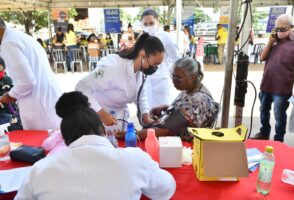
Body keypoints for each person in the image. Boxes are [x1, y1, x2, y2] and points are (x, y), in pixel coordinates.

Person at [15, 91, 176, 200]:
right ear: (103, 130)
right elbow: (166, 189)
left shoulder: (40, 169)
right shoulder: (134, 160)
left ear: (64, 139)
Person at [76, 33, 164, 132]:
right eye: (155, 64)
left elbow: (140, 94)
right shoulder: (113, 67)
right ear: (143, 55)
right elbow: (81, 87)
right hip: (98, 117)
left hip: (118, 118)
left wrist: (145, 115)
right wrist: (101, 113)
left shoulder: (140, 71)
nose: (155, 68)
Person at [116, 57, 219, 142]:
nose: (174, 81)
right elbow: (181, 112)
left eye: (178, 78)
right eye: (172, 76)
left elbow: (166, 130)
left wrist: (134, 135)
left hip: (184, 147)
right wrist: (167, 108)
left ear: (192, 77)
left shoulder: (197, 100)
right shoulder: (190, 90)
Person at [0, 17, 62, 130]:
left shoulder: (8, 44)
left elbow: (26, 82)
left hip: (40, 107)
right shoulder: (18, 37)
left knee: (44, 144)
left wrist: (9, 96)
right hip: (48, 101)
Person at [251, 14, 294, 142]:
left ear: (291, 28)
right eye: (277, 29)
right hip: (266, 84)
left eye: (282, 29)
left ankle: (279, 138)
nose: (279, 32)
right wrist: (270, 42)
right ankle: (264, 132)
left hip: (282, 88)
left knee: (279, 115)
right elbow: (262, 57)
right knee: (263, 111)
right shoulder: (274, 41)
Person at [141, 8, 181, 111]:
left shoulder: (166, 37)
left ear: (157, 21)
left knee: (163, 113)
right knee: (148, 111)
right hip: (146, 82)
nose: (148, 26)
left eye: (151, 23)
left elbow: (177, 59)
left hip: (162, 80)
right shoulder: (142, 38)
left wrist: (175, 76)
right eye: (145, 24)